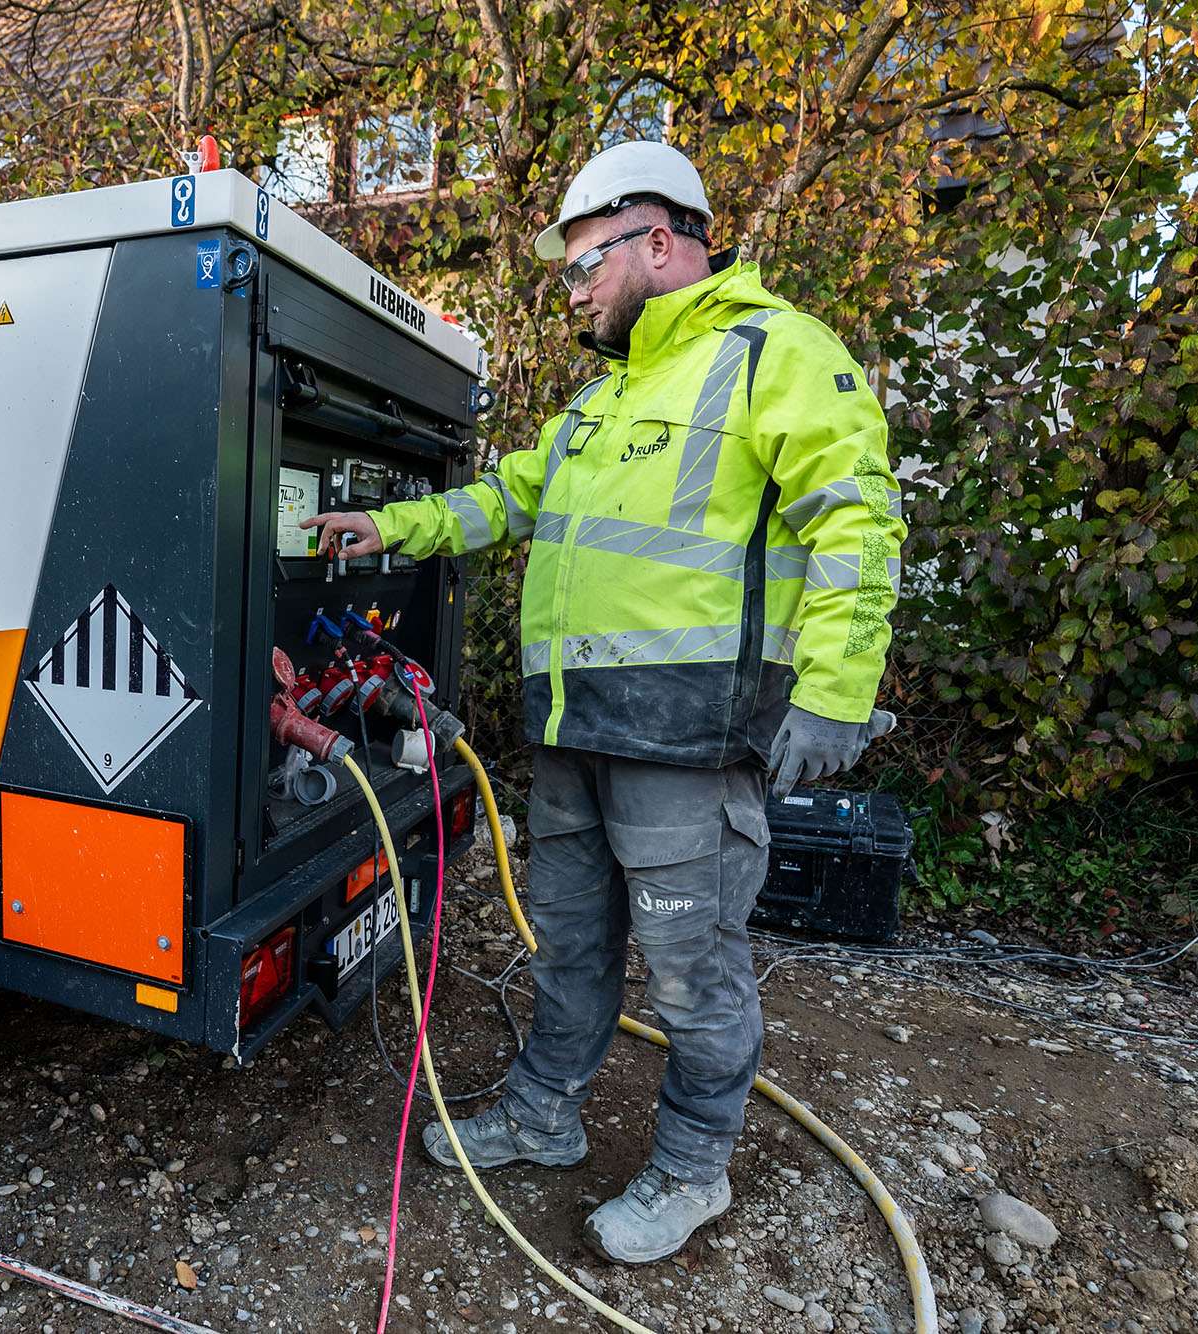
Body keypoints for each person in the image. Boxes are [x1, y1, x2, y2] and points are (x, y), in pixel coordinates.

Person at [300, 140, 904, 1265]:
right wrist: (389, 528)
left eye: (582, 263)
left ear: (659, 240)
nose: (572, 288)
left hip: (688, 742)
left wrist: (833, 692)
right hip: (575, 736)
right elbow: (503, 498)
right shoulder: (601, 400)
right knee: (569, 945)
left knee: (691, 973)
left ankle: (690, 1167)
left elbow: (856, 522)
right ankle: (542, 1113)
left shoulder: (770, 352)